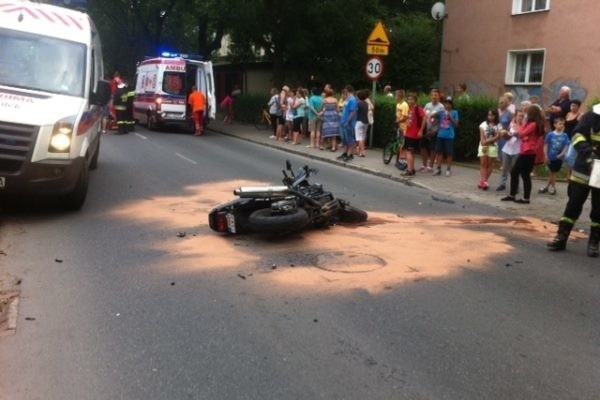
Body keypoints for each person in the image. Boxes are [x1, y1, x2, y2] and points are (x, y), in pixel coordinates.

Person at [547, 104, 600, 257]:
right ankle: (561, 237)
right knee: (574, 203)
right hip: (584, 167)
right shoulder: (591, 116)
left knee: (599, 208)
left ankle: (594, 242)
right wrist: (588, 152)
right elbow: (577, 135)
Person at [501, 105, 545, 204]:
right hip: (529, 151)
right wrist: (524, 135)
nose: (526, 114)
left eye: (527, 112)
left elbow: (520, 133)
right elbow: (522, 134)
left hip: (528, 151)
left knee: (515, 172)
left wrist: (523, 134)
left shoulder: (532, 124)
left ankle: (515, 195)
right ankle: (524, 197)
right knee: (525, 175)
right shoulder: (534, 124)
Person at [539, 117, 570, 195]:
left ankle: (550, 187)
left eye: (562, 124)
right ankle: (550, 187)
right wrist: (546, 155)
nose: (561, 125)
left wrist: (561, 154)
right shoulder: (550, 134)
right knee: (552, 172)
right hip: (551, 157)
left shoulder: (565, 135)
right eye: (559, 124)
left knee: (553, 173)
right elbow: (546, 145)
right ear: (555, 125)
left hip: (559, 158)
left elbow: (566, 146)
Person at [496, 110, 525, 192]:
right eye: (519, 116)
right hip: (507, 149)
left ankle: (515, 186)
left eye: (522, 116)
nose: (520, 118)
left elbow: (522, 136)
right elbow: (508, 136)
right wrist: (505, 134)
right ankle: (502, 184)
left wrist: (517, 133)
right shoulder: (511, 125)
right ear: (515, 116)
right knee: (505, 168)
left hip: (517, 150)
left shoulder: (524, 126)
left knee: (515, 170)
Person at [400, 94, 426, 177]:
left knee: (408, 152)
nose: (409, 101)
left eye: (411, 99)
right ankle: (412, 168)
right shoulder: (410, 109)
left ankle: (409, 170)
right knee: (411, 152)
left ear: (415, 100)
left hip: (413, 134)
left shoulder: (418, 109)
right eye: (408, 99)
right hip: (408, 133)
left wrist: (421, 130)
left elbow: (425, 118)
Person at [433, 97, 459, 176]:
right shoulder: (442, 112)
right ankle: (438, 168)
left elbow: (457, 124)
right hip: (440, 135)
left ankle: (448, 169)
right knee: (439, 152)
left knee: (449, 153)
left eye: (449, 103)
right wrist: (438, 112)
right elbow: (432, 117)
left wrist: (450, 117)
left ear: (451, 105)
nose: (447, 105)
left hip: (449, 136)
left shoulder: (455, 112)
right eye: (446, 103)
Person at [421, 89, 445, 172]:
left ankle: (430, 167)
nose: (434, 96)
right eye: (432, 95)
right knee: (423, 147)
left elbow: (442, 121)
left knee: (432, 149)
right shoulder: (427, 105)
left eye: (436, 95)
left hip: (434, 131)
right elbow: (423, 116)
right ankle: (424, 165)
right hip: (425, 130)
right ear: (430, 96)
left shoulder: (441, 107)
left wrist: (436, 131)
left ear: (439, 97)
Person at [477, 109, 501, 190]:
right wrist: (484, 141)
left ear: (496, 116)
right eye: (489, 115)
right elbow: (482, 136)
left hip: (493, 147)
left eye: (492, 115)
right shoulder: (483, 124)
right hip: (483, 146)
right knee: (483, 164)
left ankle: (484, 181)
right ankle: (484, 181)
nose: (490, 117)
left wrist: (487, 141)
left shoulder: (499, 125)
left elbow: (497, 137)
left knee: (490, 164)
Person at [337, 85, 358, 162]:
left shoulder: (353, 100)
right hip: (343, 121)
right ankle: (345, 153)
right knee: (345, 139)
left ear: (348, 91)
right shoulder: (347, 99)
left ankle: (350, 154)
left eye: (345, 91)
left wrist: (348, 121)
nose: (344, 92)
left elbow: (352, 112)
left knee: (350, 139)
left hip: (349, 123)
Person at [320, 87, 340, 152]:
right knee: (333, 133)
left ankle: (321, 146)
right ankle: (333, 147)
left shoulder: (325, 100)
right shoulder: (335, 100)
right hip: (334, 116)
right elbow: (338, 110)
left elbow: (321, 108)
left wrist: (322, 111)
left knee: (324, 131)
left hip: (327, 116)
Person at [395, 90, 409, 169]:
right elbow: (397, 115)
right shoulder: (398, 104)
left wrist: (398, 121)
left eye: (396, 96)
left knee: (403, 144)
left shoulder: (405, 105)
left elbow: (405, 117)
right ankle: (398, 160)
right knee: (399, 143)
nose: (395, 97)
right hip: (399, 126)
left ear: (400, 96)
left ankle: (401, 159)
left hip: (404, 127)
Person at [354, 89, 370, 157]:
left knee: (359, 137)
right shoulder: (366, 104)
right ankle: (362, 151)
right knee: (363, 137)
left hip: (359, 121)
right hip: (366, 122)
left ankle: (361, 152)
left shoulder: (358, 104)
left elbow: (354, 112)